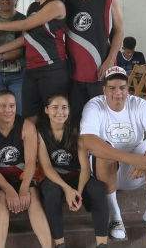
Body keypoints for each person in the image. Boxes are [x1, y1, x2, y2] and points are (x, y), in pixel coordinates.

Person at [80, 66, 146, 241]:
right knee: (103, 147)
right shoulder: (94, 105)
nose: (118, 93)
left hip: (137, 171)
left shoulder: (138, 104)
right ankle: (115, 217)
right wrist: (132, 159)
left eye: (122, 87)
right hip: (107, 173)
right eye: (112, 88)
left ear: (128, 89)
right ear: (104, 90)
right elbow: (88, 141)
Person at [0, 0, 69, 123]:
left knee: (54, 116)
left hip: (53, 68)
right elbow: (25, 39)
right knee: (29, 118)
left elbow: (25, 24)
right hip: (31, 70)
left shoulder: (56, 5)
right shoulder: (33, 7)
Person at [37, 93, 109, 248]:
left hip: (77, 176)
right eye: (55, 107)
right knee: (51, 191)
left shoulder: (77, 130)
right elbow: (47, 167)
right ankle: (60, 243)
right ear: (46, 110)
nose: (60, 112)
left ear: (69, 110)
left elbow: (85, 168)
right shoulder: (41, 132)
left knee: (98, 189)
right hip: (54, 178)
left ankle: (102, 243)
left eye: (64, 107)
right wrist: (67, 189)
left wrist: (79, 191)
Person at [0, 90, 52, 248]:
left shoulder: (26, 126)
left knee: (33, 198)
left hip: (23, 176)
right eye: (3, 106)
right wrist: (9, 190)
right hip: (0, 178)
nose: (8, 110)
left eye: (12, 105)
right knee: (0, 200)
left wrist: (24, 188)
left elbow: (30, 163)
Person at [64, 0, 124, 126]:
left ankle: (104, 153)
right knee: (77, 120)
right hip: (75, 73)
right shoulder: (66, 1)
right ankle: (80, 153)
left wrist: (110, 60)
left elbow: (119, 30)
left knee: (104, 120)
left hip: (101, 71)